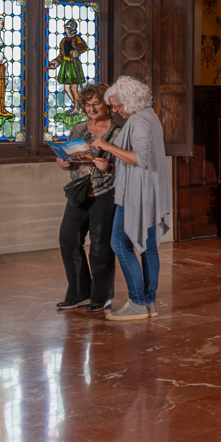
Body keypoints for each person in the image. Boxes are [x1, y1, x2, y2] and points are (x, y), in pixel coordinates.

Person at [90, 76, 172, 322]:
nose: (115, 111)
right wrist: (111, 167)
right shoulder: (150, 116)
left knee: (119, 244)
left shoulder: (138, 121)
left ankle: (137, 302)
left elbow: (140, 159)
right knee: (148, 247)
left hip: (138, 193)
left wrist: (108, 147)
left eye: (118, 106)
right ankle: (148, 302)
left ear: (131, 101)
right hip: (149, 190)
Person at [54, 83, 116, 315]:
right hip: (78, 191)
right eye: (87, 105)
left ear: (106, 104)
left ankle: (101, 296)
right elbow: (72, 160)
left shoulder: (118, 131)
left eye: (96, 103)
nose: (91, 109)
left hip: (105, 192)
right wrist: (65, 163)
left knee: (100, 246)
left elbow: (128, 165)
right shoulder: (79, 128)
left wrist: (108, 166)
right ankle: (79, 293)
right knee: (68, 239)